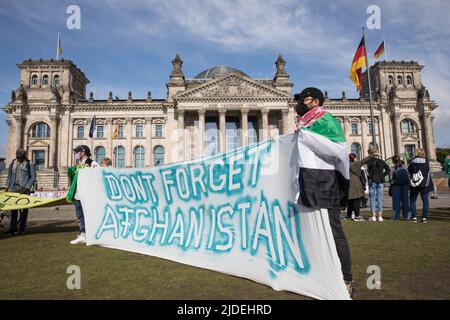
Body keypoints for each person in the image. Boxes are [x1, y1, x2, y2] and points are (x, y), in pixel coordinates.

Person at [294, 87, 354, 298]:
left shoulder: (325, 120)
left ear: (316, 101)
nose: (301, 102)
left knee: (334, 231)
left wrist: (307, 137)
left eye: (304, 99)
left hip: (327, 182)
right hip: (309, 181)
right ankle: (321, 275)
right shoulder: (304, 123)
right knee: (310, 229)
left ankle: (346, 280)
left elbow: (340, 150)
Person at [69, 145, 99, 244]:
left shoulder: (92, 163)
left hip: (87, 195)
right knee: (80, 216)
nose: (75, 154)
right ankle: (83, 234)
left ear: (83, 152)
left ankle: (92, 234)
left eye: (77, 152)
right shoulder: (78, 165)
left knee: (89, 215)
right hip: (78, 194)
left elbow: (98, 177)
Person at [4, 149, 37, 235]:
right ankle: (13, 229)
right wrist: (7, 186)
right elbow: (10, 175)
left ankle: (22, 229)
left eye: (20, 157)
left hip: (24, 189)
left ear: (24, 156)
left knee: (24, 210)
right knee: (13, 210)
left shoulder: (30, 164)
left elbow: (33, 177)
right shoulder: (13, 162)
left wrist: (27, 187)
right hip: (13, 188)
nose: (18, 158)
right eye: (17, 156)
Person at [408, 148, 434, 223]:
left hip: (414, 184)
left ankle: (414, 217)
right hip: (424, 184)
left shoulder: (412, 161)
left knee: (412, 201)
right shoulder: (426, 161)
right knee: (425, 201)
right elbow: (428, 170)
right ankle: (424, 218)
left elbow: (409, 170)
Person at [366, 145, 390, 222]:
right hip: (380, 181)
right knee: (379, 199)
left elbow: (367, 172)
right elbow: (388, 170)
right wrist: (382, 175)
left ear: (370, 153)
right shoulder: (381, 161)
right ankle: (380, 216)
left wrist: (370, 176)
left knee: (372, 199)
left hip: (373, 181)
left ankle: (373, 216)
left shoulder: (369, 161)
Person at [346, 153, 373, 221]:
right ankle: (357, 216)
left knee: (349, 201)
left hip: (347, 182)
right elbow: (363, 160)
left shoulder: (345, 165)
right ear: (354, 158)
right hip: (355, 183)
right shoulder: (355, 164)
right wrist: (372, 155)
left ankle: (348, 215)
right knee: (356, 200)